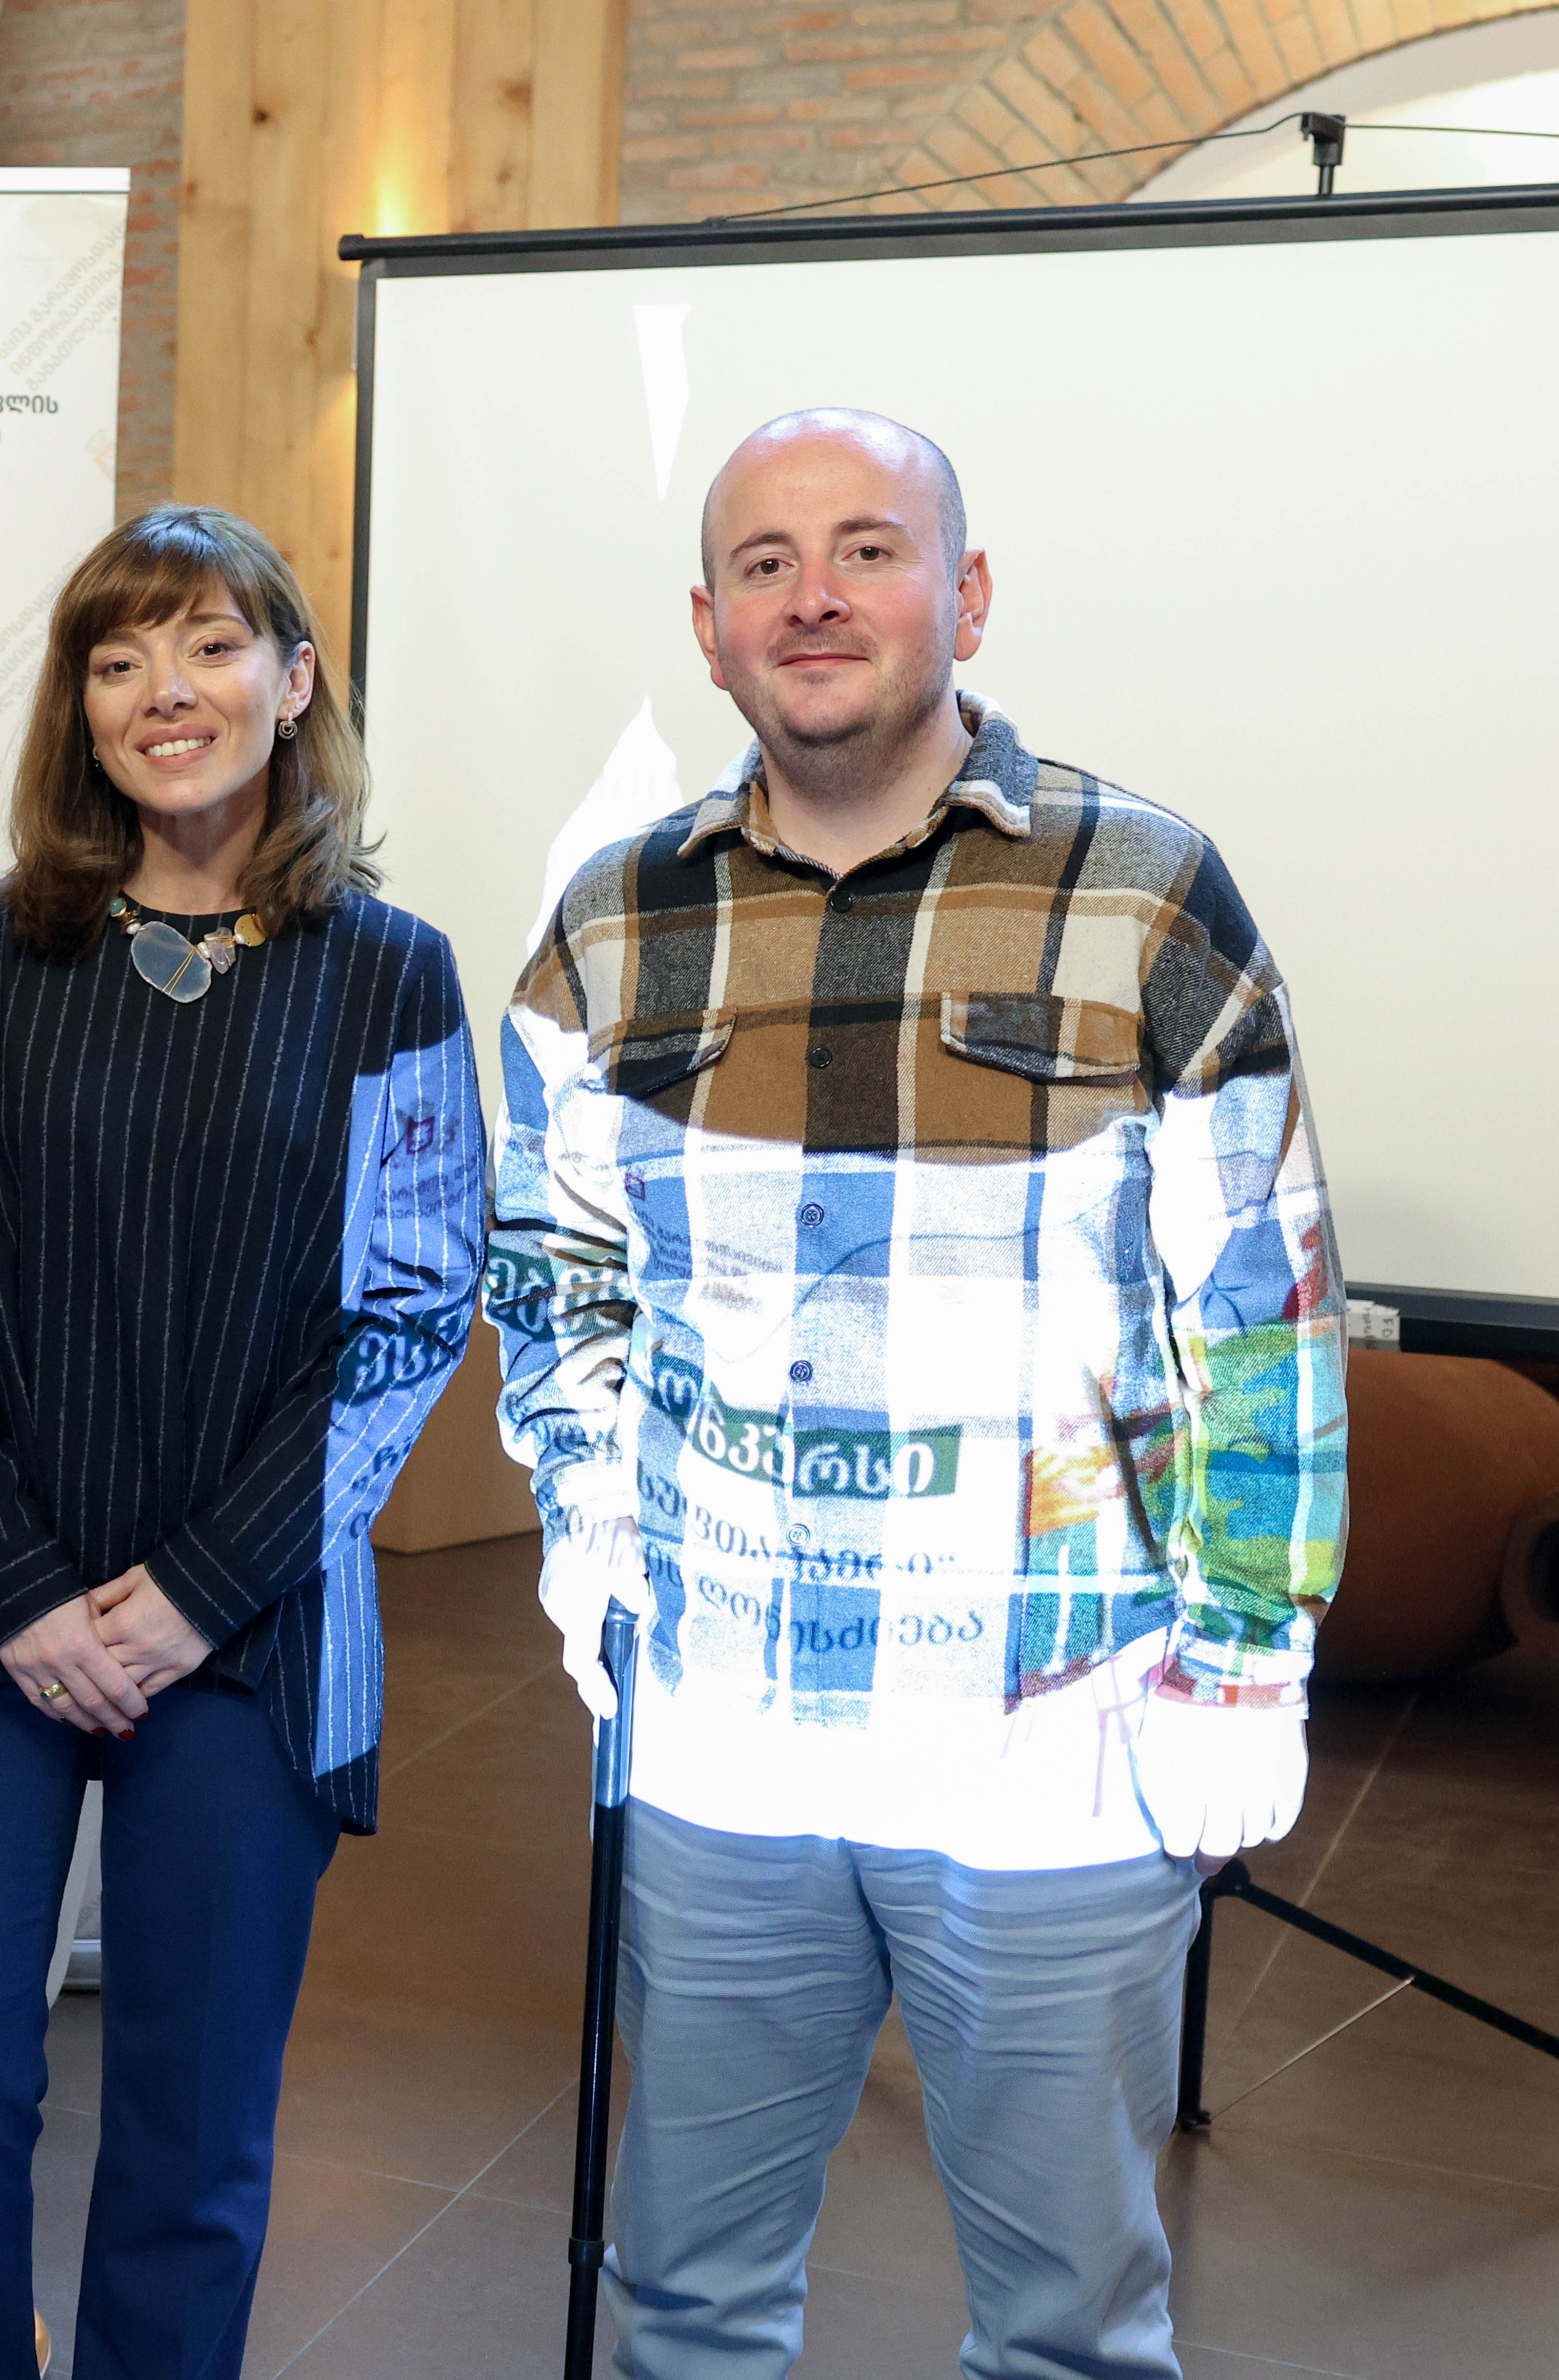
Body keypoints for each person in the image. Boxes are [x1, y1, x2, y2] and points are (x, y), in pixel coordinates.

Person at [490, 409, 1342, 2377]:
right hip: (720, 1727)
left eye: (868, 549)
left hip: (1053, 1731)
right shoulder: (615, 919)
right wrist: (585, 1501)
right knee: (686, 2304)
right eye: (766, 564)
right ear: (709, 629)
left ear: (964, 597)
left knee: (1067, 2331)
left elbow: (1263, 1301)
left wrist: (1248, 1652)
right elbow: (554, 1268)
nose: (816, 597)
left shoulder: (1145, 892)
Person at [0, 504, 487, 2373]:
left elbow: (413, 1311)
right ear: (81, 710)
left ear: (296, 680)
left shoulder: (394, 970)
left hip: (251, 1624)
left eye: (207, 645)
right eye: (117, 661)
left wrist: (191, 1592)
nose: (162, 692)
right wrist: (29, 1593)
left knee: (193, 2132)